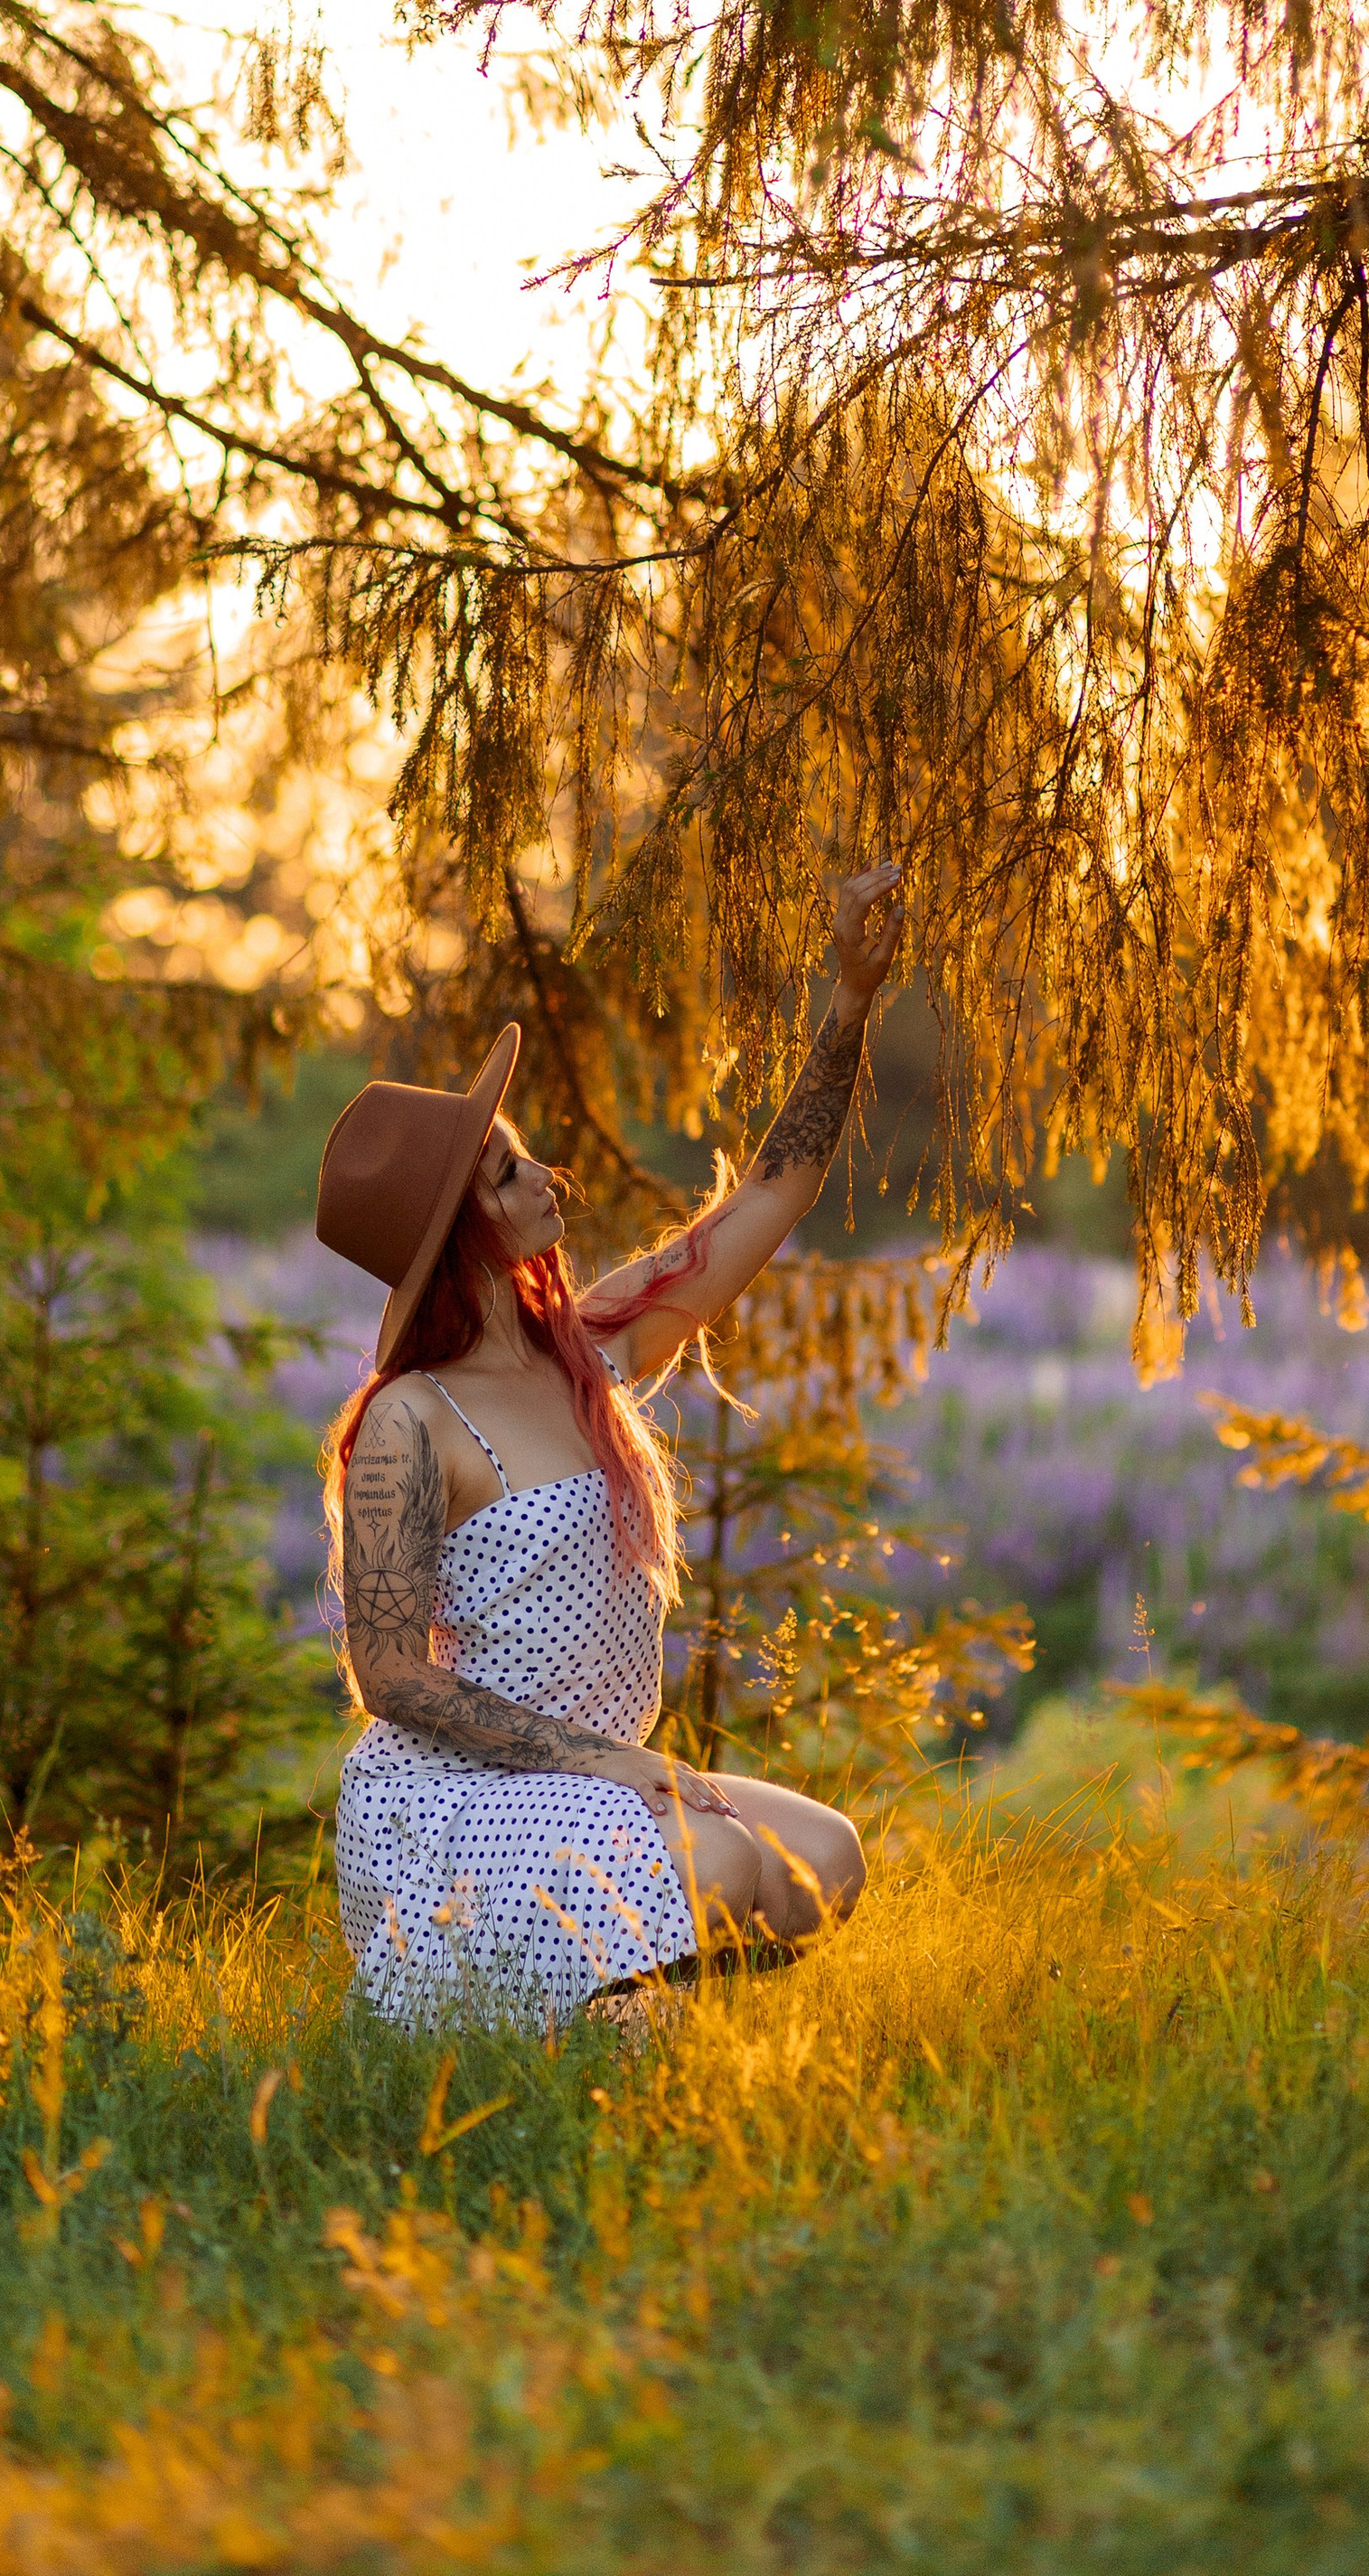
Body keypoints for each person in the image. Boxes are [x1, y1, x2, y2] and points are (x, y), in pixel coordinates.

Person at [316, 861, 905, 2029]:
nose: (546, 1175)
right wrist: (606, 1763)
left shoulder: (598, 1352)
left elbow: (766, 1201)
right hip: (456, 1801)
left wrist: (848, 1002)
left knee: (820, 1860)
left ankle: (616, 2014)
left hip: (586, 1785)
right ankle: (585, 2029)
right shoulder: (411, 1419)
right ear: (461, 1235)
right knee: (730, 1871)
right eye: (507, 1171)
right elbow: (388, 1678)